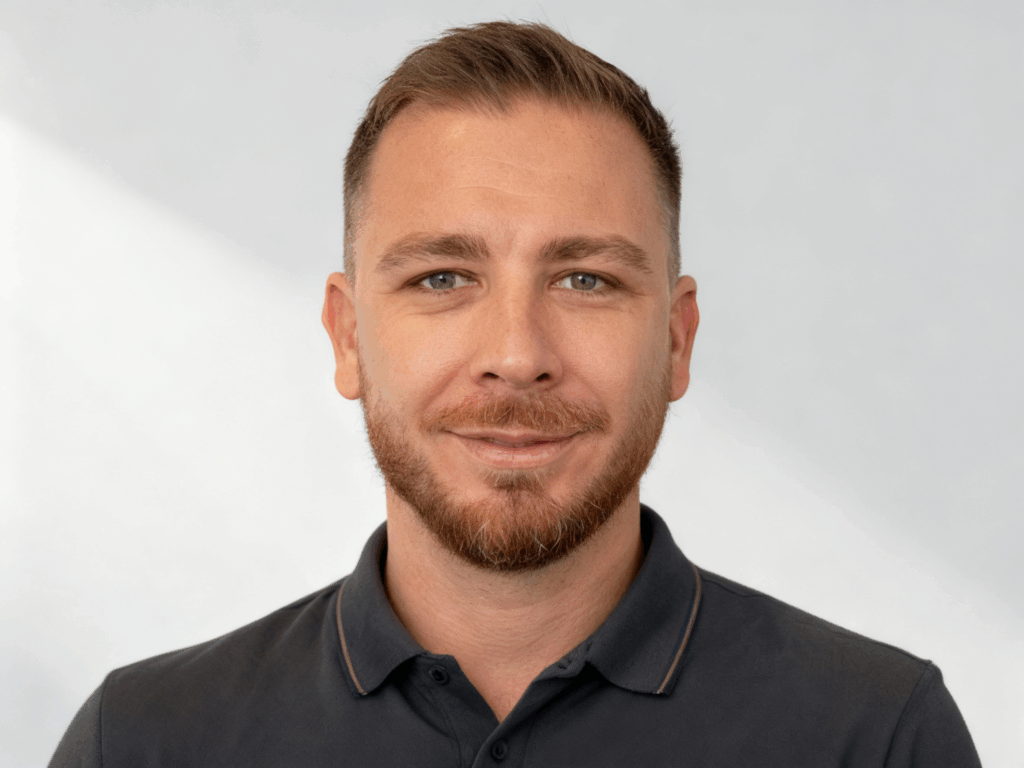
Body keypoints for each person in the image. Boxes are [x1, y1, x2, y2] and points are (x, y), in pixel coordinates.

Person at [49, 20, 980, 767]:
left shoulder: (874, 735)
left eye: (585, 280)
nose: (517, 355)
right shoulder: (144, 742)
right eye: (443, 278)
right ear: (348, 337)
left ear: (676, 340)